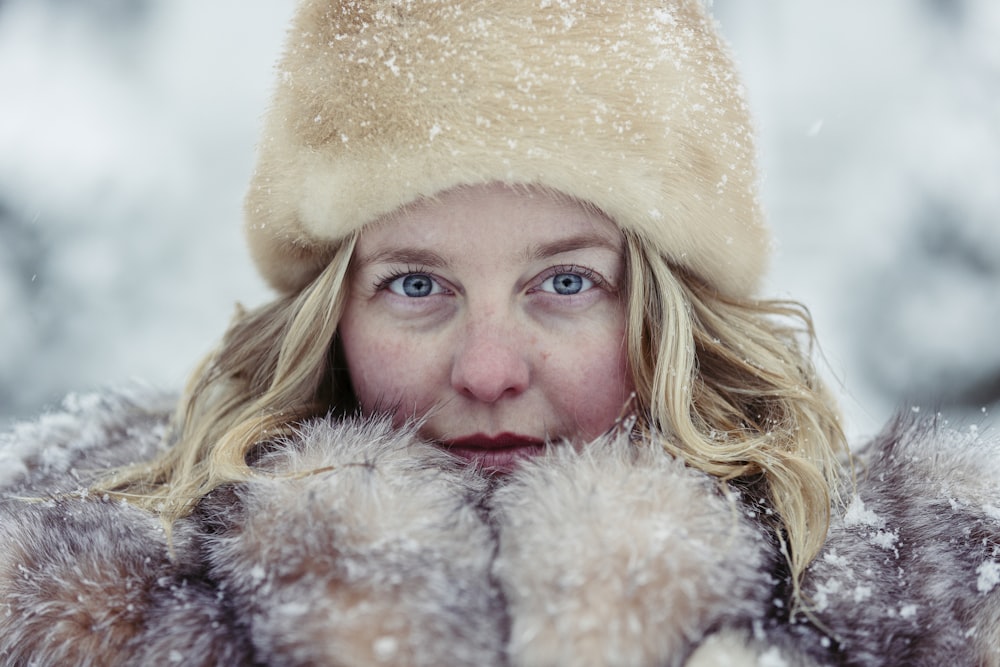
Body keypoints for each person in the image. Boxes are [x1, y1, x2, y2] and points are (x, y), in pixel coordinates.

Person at [1, 1, 997, 665]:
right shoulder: (90, 609)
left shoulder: (923, 605)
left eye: (565, 281)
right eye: (416, 284)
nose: (486, 369)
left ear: (669, 309)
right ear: (331, 313)